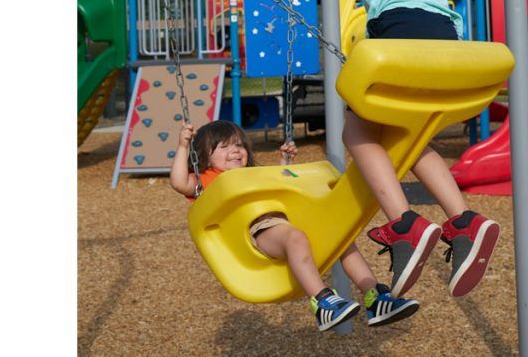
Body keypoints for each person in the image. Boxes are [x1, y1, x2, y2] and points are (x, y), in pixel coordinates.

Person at [224, 0, 500, 299]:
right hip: (442, 36)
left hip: (404, 31)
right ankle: (465, 222)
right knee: (408, 139)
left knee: (356, 130)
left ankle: (406, 225)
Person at [170, 119, 419, 331]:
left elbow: (281, 189)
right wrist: (183, 146)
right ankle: (323, 303)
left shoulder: (253, 173)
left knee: (341, 237)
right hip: (258, 232)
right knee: (295, 238)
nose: (235, 151)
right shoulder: (208, 179)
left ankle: (375, 297)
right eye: (223, 147)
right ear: (205, 155)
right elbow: (179, 182)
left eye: (239, 145)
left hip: (286, 222)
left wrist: (283, 164)